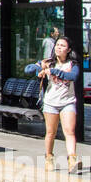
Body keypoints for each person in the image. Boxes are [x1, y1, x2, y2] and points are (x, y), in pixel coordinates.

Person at [35, 36, 82, 173]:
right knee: (51, 132)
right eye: (57, 45)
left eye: (62, 46)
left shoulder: (73, 65)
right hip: (51, 102)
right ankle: (49, 157)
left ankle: (72, 159)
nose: (58, 48)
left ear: (68, 50)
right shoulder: (49, 62)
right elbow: (29, 69)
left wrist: (54, 71)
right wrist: (37, 69)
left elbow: (72, 77)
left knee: (69, 131)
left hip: (67, 102)